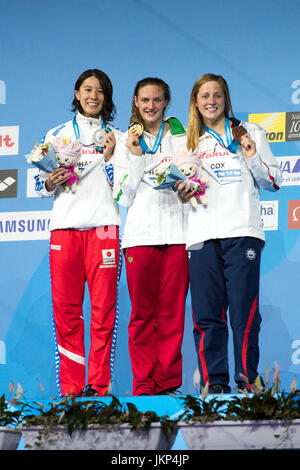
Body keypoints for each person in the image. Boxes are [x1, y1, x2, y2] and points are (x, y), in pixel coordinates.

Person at [177, 73, 282, 394]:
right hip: (202, 234)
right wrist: (181, 191)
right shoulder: (185, 143)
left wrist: (250, 154)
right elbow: (177, 190)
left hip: (242, 232)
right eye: (205, 96)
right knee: (207, 315)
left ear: (226, 99)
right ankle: (215, 383)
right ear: (195, 102)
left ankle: (248, 379)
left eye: (217, 95)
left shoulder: (250, 132)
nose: (211, 101)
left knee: (243, 312)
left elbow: (273, 181)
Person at [35, 69, 122, 397]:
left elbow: (123, 187)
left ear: (106, 97)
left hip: (104, 230)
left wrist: (112, 159)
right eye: (88, 89)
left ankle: (99, 388)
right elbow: (37, 184)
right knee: (67, 313)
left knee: (103, 314)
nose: (93, 96)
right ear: (76, 93)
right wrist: (49, 182)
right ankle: (71, 390)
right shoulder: (55, 134)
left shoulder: (117, 136)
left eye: (100, 91)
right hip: (65, 232)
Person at [113, 77, 189, 396]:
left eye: (157, 100)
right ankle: (144, 385)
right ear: (135, 101)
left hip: (178, 234)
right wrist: (133, 156)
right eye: (145, 100)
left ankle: (168, 384)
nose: (151, 106)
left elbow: (194, 180)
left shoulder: (182, 136)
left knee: (171, 314)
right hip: (140, 237)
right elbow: (123, 195)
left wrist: (187, 185)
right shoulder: (124, 141)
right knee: (143, 315)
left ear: (166, 102)